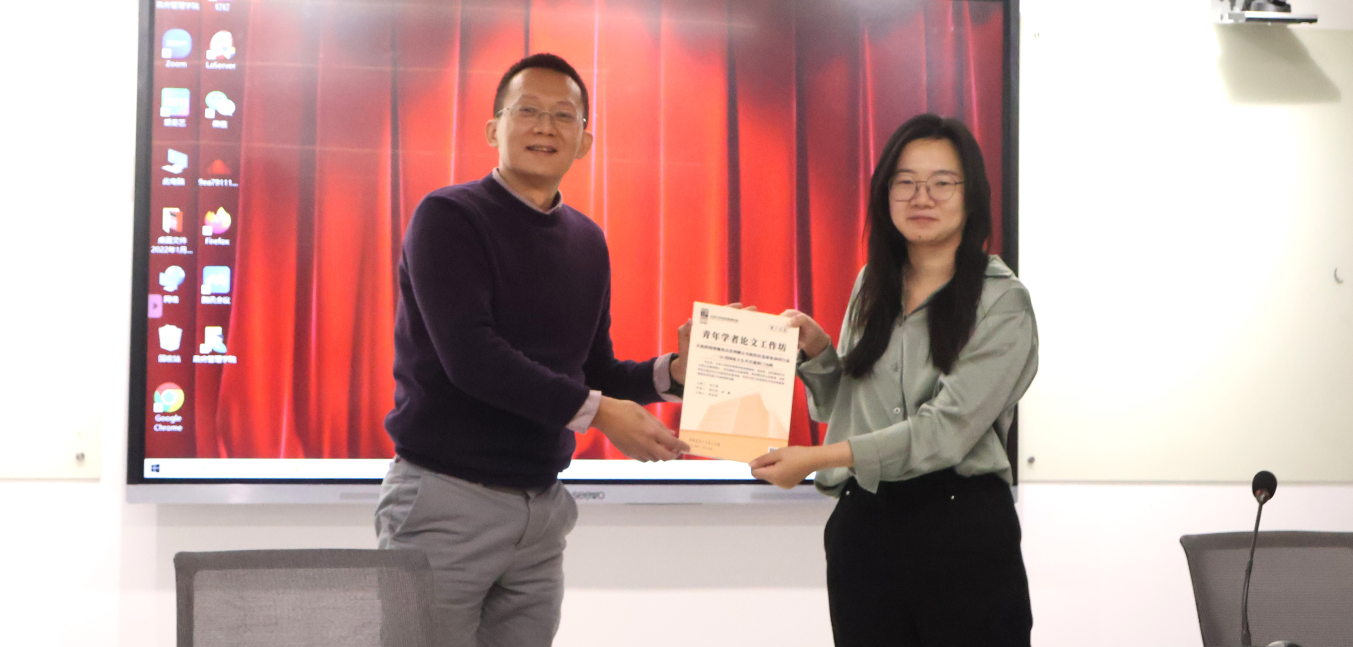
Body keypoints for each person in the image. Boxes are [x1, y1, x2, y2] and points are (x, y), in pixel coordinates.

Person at [376, 53, 691, 647]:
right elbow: (472, 358)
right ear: (493, 128)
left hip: (542, 512)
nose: (546, 127)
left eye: (563, 116)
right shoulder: (449, 217)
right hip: (447, 499)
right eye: (528, 111)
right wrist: (600, 413)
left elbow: (591, 369)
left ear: (585, 141)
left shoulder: (587, 241)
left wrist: (672, 372)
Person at [750, 113, 1038, 647]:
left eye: (941, 183)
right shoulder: (872, 285)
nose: (921, 197)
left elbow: (943, 432)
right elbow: (846, 408)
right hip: (866, 528)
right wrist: (818, 352)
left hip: (961, 529)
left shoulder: (1003, 302)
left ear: (971, 195)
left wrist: (817, 458)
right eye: (904, 182)